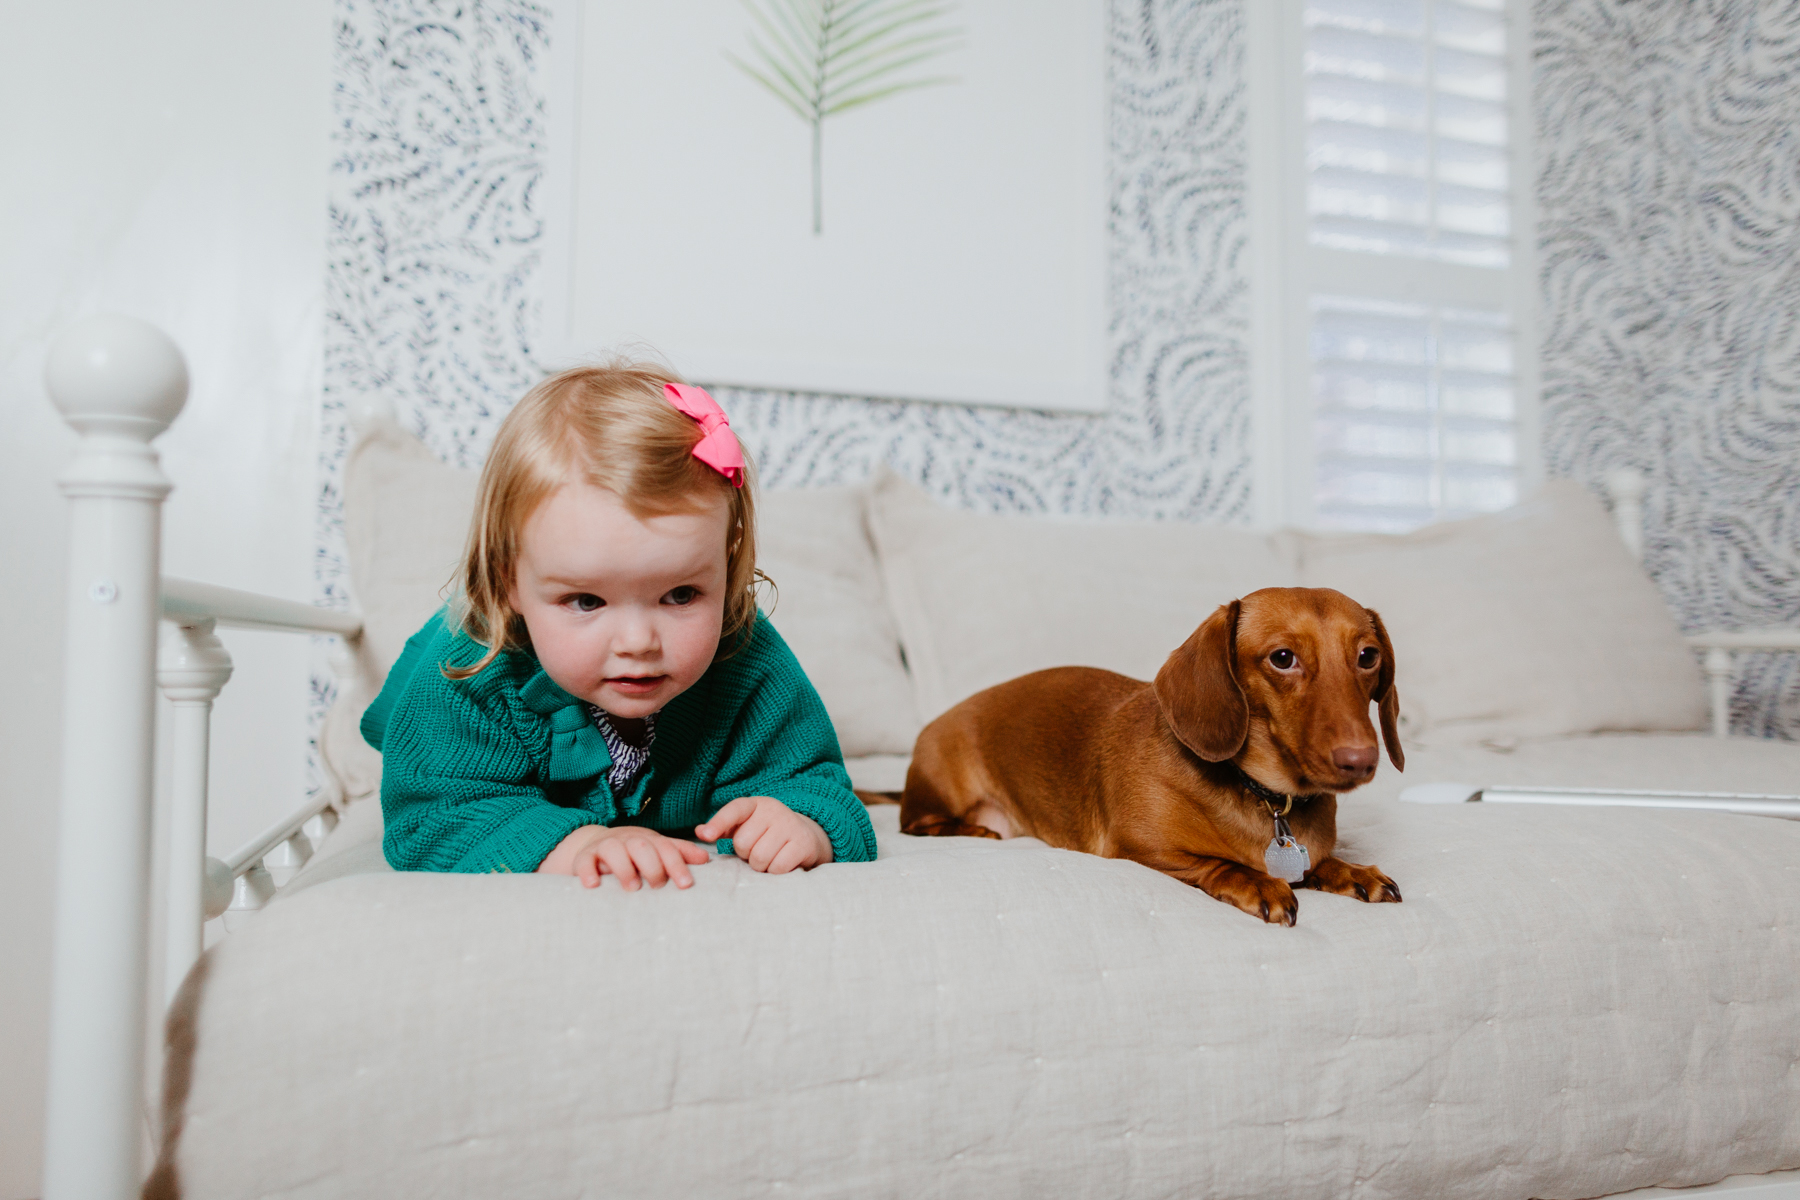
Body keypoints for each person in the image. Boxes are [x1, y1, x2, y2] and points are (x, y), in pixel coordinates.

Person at [359, 362, 877, 888]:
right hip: (438, 700)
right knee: (433, 732)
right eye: (585, 601)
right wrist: (580, 842)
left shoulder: (744, 653)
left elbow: (817, 784)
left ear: (729, 565)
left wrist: (802, 822)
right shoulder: (473, 669)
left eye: (680, 595)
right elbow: (430, 818)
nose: (638, 643)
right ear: (506, 580)